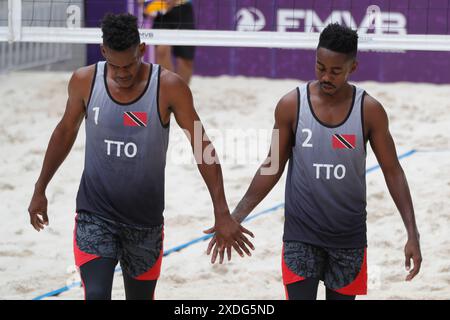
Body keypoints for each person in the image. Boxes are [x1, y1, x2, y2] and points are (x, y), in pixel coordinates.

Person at [27, 13, 253, 300]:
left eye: (130, 64)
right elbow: (64, 132)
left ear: (142, 50)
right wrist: (39, 188)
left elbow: (202, 147)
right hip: (95, 215)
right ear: (103, 51)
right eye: (115, 65)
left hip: (145, 222)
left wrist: (221, 211)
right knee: (96, 295)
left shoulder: (170, 87)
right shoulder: (85, 81)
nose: (122, 74)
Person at [205, 23, 422, 300]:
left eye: (335, 71)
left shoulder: (369, 110)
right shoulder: (291, 104)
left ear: (353, 68)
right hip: (301, 235)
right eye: (320, 67)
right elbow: (272, 166)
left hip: (348, 238)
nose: (326, 76)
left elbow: (393, 172)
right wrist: (235, 216)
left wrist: (412, 234)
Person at [149, 0, 196, 84]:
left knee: (186, 59)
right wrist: (145, 3)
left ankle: (182, 93)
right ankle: (169, 89)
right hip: (160, 7)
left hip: (183, 6)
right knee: (162, 50)